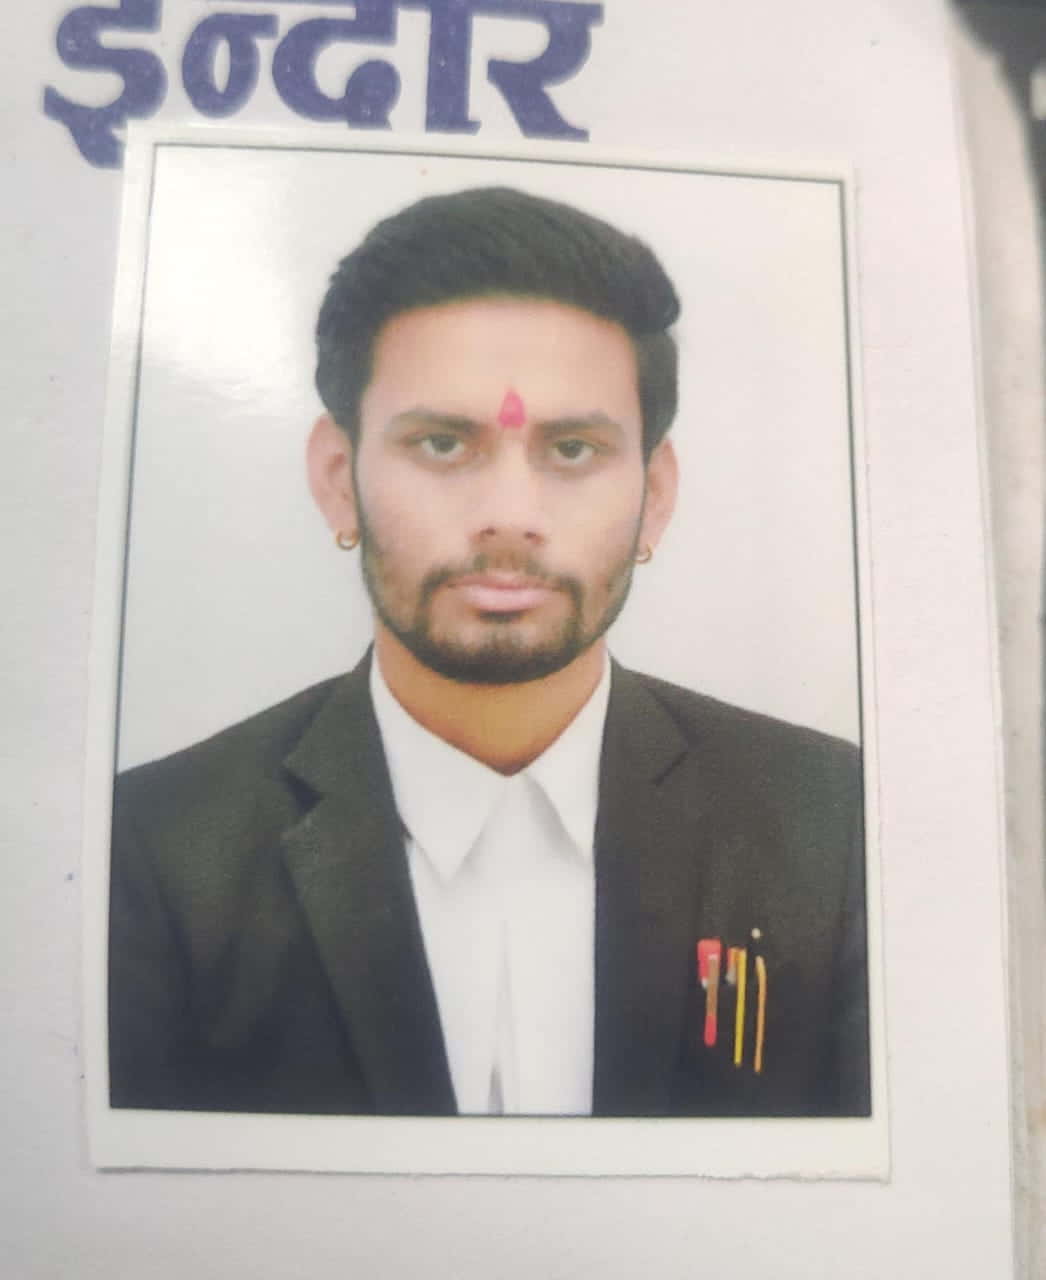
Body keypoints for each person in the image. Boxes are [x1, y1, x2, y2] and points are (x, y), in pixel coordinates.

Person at [108, 187, 869, 1119]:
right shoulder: (153, 854)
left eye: (574, 450)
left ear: (656, 496)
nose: (510, 515)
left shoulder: (837, 829)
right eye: (442, 443)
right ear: (339, 480)